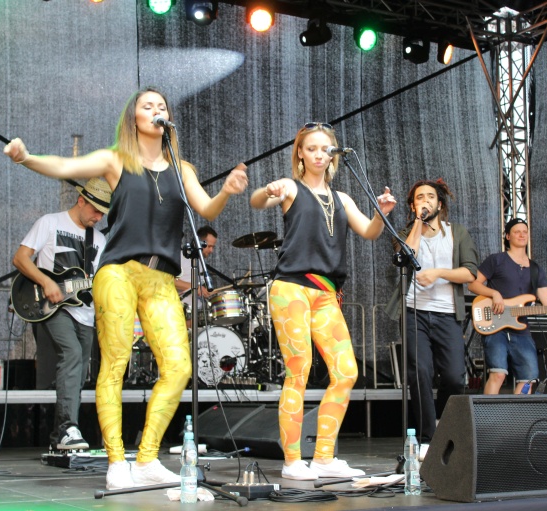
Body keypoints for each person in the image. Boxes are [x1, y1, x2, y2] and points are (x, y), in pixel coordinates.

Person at [3, 86, 248, 490]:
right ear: (133, 117)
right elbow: (65, 166)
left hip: (160, 278)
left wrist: (226, 190)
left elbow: (206, 208)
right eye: (147, 105)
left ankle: (147, 458)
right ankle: (117, 460)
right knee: (114, 362)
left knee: (179, 367)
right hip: (117, 271)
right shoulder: (116, 159)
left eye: (161, 106)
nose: (156, 110)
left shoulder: (182, 168)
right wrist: (26, 157)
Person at [250, 122, 396, 481]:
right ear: (300, 153)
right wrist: (267, 190)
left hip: (326, 293)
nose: (319, 154)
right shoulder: (290, 187)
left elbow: (370, 232)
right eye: (311, 148)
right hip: (292, 288)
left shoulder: (343, 198)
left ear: (333, 155)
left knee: (346, 372)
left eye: (325, 149)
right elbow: (257, 201)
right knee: (298, 370)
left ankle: (324, 457)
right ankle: (292, 461)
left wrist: (382, 212)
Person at [12, 178, 111, 451]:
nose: (98, 217)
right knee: (72, 353)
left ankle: (60, 436)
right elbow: (20, 258)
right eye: (95, 211)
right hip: (53, 307)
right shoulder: (50, 222)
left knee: (78, 372)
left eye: (103, 213)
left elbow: (98, 279)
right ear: (81, 200)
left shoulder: (99, 239)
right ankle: (68, 427)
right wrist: (46, 282)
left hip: (85, 313)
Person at [385, 178, 478, 461]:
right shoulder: (405, 232)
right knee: (420, 373)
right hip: (414, 311)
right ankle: (427, 438)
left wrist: (438, 273)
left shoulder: (457, 233)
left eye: (429, 197)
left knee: (454, 376)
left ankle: (443, 427)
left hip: (447, 314)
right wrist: (418, 221)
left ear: (440, 203)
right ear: (412, 205)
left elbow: (470, 272)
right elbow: (405, 257)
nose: (424, 201)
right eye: (418, 198)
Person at [467, 218, 547, 395]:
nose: (522, 234)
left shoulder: (535, 269)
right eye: (517, 231)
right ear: (507, 236)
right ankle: (487, 413)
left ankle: (517, 412)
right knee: (498, 374)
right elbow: (473, 284)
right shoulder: (496, 260)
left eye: (525, 231)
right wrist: (494, 294)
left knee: (529, 378)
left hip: (521, 329)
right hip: (495, 326)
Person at [175, 225, 218, 327]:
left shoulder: (200, 263)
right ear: (199, 243)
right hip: (181, 313)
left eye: (213, 247)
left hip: (198, 313)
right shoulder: (180, 257)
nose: (211, 251)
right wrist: (195, 288)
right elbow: (169, 280)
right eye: (209, 246)